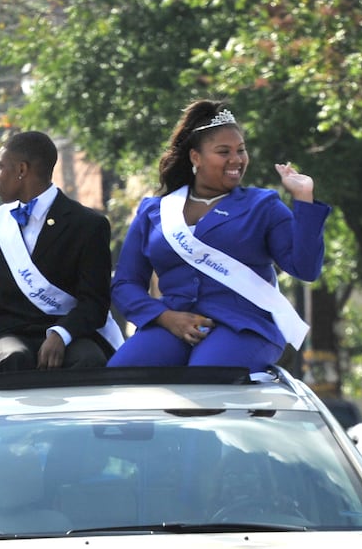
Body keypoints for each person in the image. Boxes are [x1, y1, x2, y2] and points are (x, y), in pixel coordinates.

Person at [109, 100, 331, 371]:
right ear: (195, 158)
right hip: (174, 323)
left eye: (241, 150)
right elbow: (125, 283)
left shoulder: (262, 205)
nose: (236, 160)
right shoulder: (155, 211)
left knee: (207, 380)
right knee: (122, 375)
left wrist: (303, 200)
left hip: (245, 326)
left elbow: (306, 268)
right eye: (223, 151)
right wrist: (166, 318)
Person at [0, 130, 119, 385]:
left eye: (1, 167)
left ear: (22, 169)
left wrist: (61, 333)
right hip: (8, 334)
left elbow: (95, 303)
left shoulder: (89, 225)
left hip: (71, 333)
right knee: (12, 359)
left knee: (87, 361)